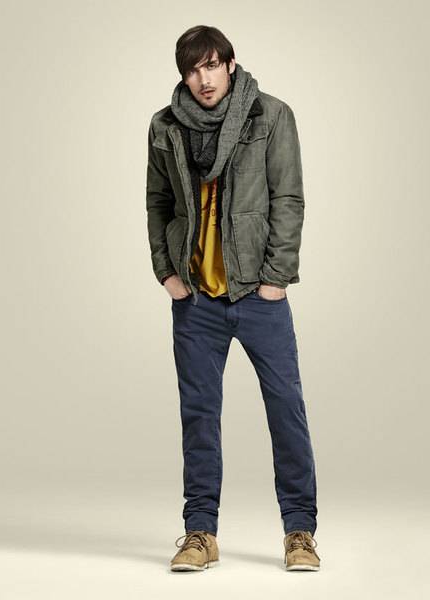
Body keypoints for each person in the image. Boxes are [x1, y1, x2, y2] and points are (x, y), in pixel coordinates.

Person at [146, 24, 320, 572]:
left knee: (285, 409)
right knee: (199, 417)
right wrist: (166, 273)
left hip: (258, 294)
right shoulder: (165, 126)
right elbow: (157, 203)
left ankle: (300, 532)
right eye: (192, 69)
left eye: (211, 65)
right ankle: (200, 532)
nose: (203, 78)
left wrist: (276, 279)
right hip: (196, 298)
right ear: (184, 76)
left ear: (230, 64)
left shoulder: (271, 115)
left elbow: (288, 198)